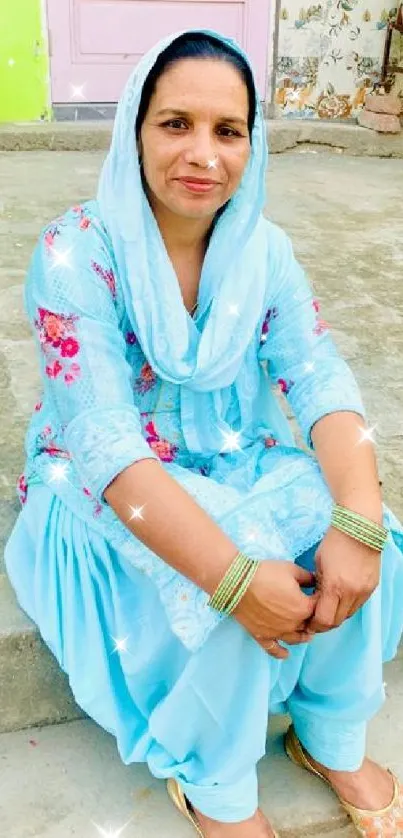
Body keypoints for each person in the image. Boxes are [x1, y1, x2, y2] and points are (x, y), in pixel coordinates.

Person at [5, 28, 403, 838]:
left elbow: (319, 376)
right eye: (174, 123)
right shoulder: (76, 253)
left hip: (230, 450)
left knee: (369, 536)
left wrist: (357, 520)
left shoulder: (264, 252)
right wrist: (229, 577)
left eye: (227, 131)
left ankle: (328, 739)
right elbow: (108, 449)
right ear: (134, 127)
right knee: (227, 575)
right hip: (104, 483)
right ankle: (217, 786)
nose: (203, 155)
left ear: (251, 145)